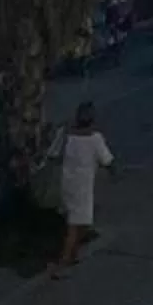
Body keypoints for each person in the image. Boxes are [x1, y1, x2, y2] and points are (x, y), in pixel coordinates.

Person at [47, 101, 113, 277]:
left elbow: (53, 155)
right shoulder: (95, 139)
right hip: (82, 188)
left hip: (67, 184)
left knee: (81, 222)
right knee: (75, 226)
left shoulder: (66, 134)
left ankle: (74, 254)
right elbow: (107, 161)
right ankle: (63, 264)